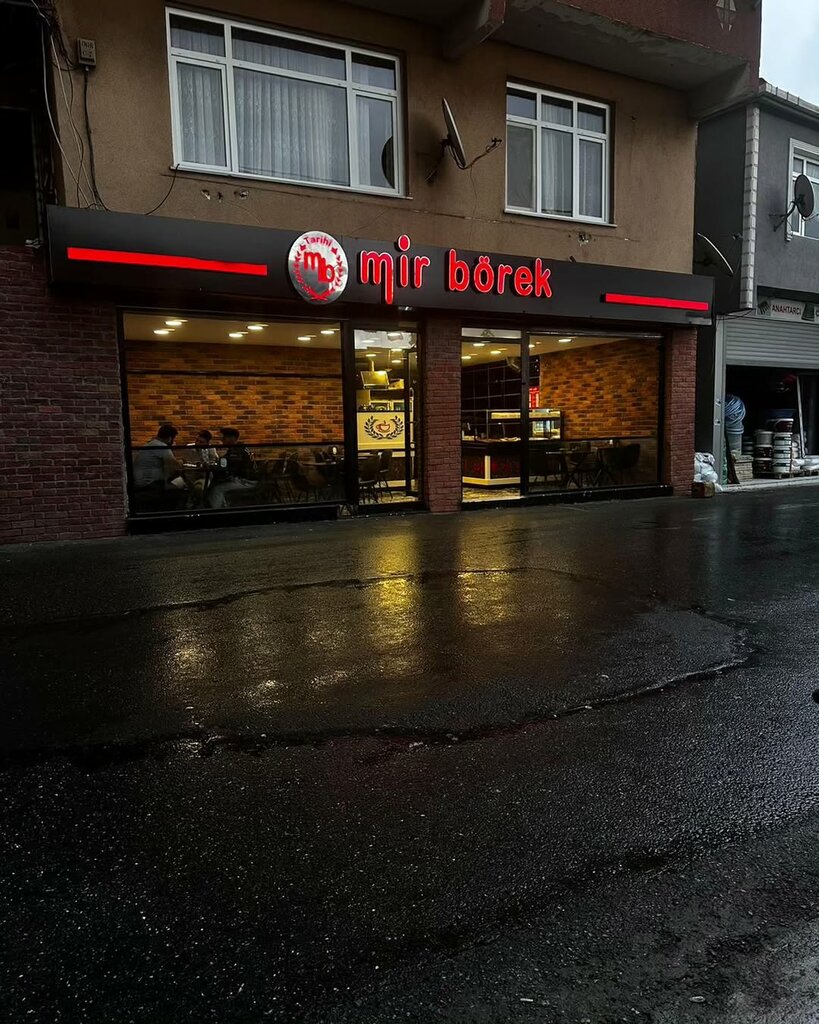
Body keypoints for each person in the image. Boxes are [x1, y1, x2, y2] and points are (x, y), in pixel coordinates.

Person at [207, 427, 258, 509]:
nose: (222, 440)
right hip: (246, 479)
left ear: (232, 438)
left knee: (216, 489)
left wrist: (215, 465)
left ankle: (216, 514)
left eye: (224, 437)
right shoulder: (241, 448)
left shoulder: (236, 451)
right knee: (217, 484)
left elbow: (228, 466)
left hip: (246, 481)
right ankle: (223, 507)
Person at [132, 424, 184, 492]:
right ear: (170, 438)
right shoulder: (162, 447)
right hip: (150, 485)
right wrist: (182, 461)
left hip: (139, 483)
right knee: (181, 485)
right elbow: (174, 467)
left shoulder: (151, 444)